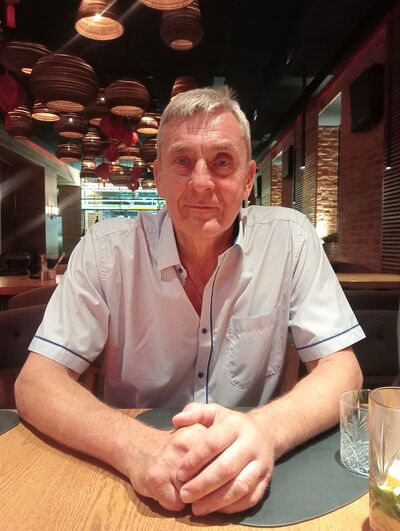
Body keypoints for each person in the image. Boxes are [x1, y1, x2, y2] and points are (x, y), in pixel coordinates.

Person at [15, 86, 364, 516]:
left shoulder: (290, 238)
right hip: (127, 479)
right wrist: (136, 446)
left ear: (248, 179)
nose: (201, 182)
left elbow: (342, 369)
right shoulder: (106, 250)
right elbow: (36, 382)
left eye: (222, 162)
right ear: (158, 177)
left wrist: (266, 431)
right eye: (182, 161)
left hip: (252, 472)